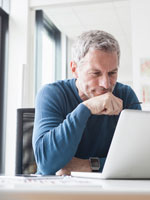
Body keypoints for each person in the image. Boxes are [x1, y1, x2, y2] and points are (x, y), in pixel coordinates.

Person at [32, 30, 141, 175]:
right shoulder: (52, 94)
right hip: (57, 191)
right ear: (74, 69)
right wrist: (85, 108)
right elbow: (47, 164)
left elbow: (139, 159)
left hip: (108, 190)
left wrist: (87, 165)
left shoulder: (125, 95)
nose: (106, 84)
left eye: (112, 73)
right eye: (95, 73)